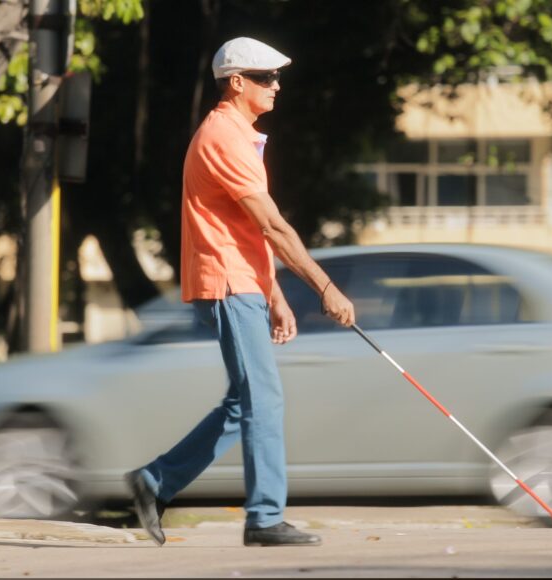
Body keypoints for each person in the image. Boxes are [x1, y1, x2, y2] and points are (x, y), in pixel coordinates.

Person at [125, 37, 356, 548]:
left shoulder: (240, 135)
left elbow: (247, 230)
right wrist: (325, 287)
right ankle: (265, 519)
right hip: (227, 283)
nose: (276, 86)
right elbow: (272, 227)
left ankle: (154, 482)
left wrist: (273, 293)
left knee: (246, 401)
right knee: (265, 399)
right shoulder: (224, 138)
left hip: (244, 282)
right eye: (266, 77)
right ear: (236, 83)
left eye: (276, 77)